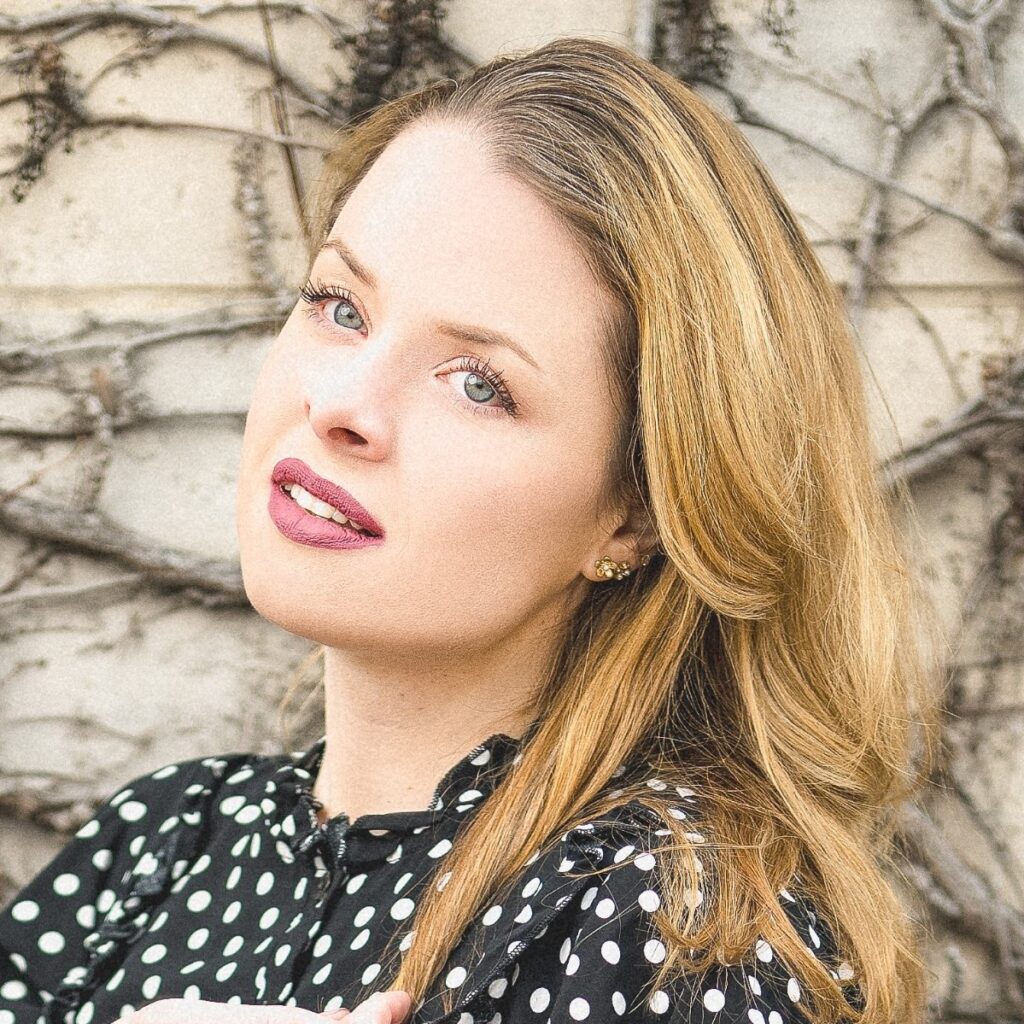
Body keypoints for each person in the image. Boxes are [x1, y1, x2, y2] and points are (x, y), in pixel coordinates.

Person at [0, 34, 938, 1024]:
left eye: (479, 383)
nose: (341, 402)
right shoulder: (164, 840)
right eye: (339, 305)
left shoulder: (668, 932)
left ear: (637, 512)